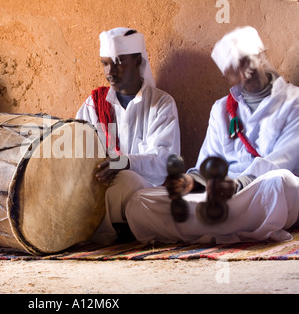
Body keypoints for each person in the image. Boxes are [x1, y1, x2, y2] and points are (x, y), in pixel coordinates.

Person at [125, 26, 299, 245]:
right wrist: (191, 181)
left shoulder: (294, 103)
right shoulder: (221, 110)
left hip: (261, 189)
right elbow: (206, 165)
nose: (245, 71)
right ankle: (229, 226)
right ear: (228, 75)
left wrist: (236, 184)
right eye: (236, 68)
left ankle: (205, 228)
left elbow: (282, 161)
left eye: (248, 61)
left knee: (280, 184)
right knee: (139, 202)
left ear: (261, 56)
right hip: (220, 197)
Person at [76, 27, 181, 244]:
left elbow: (164, 162)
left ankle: (89, 234)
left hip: (147, 188)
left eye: (119, 63)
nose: (110, 72)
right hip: (100, 184)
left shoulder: (161, 104)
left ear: (137, 61)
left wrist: (124, 163)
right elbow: (77, 145)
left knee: (128, 180)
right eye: (105, 63)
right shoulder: (93, 104)